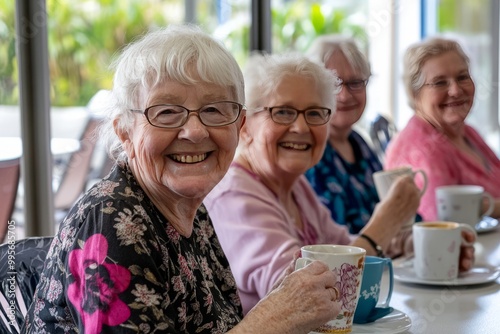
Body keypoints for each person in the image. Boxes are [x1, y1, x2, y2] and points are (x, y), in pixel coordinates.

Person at [21, 25, 343, 334]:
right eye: (166, 112)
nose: (195, 131)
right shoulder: (110, 221)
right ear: (125, 132)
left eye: (215, 110)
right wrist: (274, 319)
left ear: (239, 125)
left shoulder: (191, 209)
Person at [204, 52, 428, 314]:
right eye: (283, 112)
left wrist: (420, 244)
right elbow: (300, 293)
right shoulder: (233, 195)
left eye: (314, 113)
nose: (300, 127)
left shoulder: (295, 187)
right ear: (244, 127)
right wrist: (384, 224)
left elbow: (344, 245)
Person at [385, 37, 500, 221]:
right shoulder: (422, 150)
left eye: (462, 77)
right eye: (440, 82)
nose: (455, 90)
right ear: (414, 94)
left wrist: (487, 206)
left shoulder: (467, 132)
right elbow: (443, 219)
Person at [304, 35, 385, 234]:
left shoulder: (359, 142)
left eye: (355, 83)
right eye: (333, 84)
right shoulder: (308, 150)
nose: (345, 95)